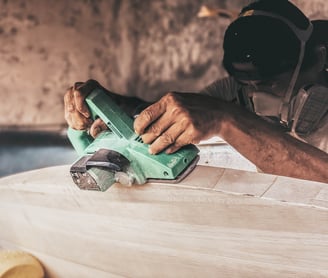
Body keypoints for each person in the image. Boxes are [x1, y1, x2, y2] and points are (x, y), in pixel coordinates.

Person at [64, 0, 328, 183]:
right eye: (247, 79)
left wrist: (227, 119)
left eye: (270, 81)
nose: (257, 89)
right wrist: (111, 105)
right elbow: (175, 116)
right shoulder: (234, 91)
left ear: (318, 58)